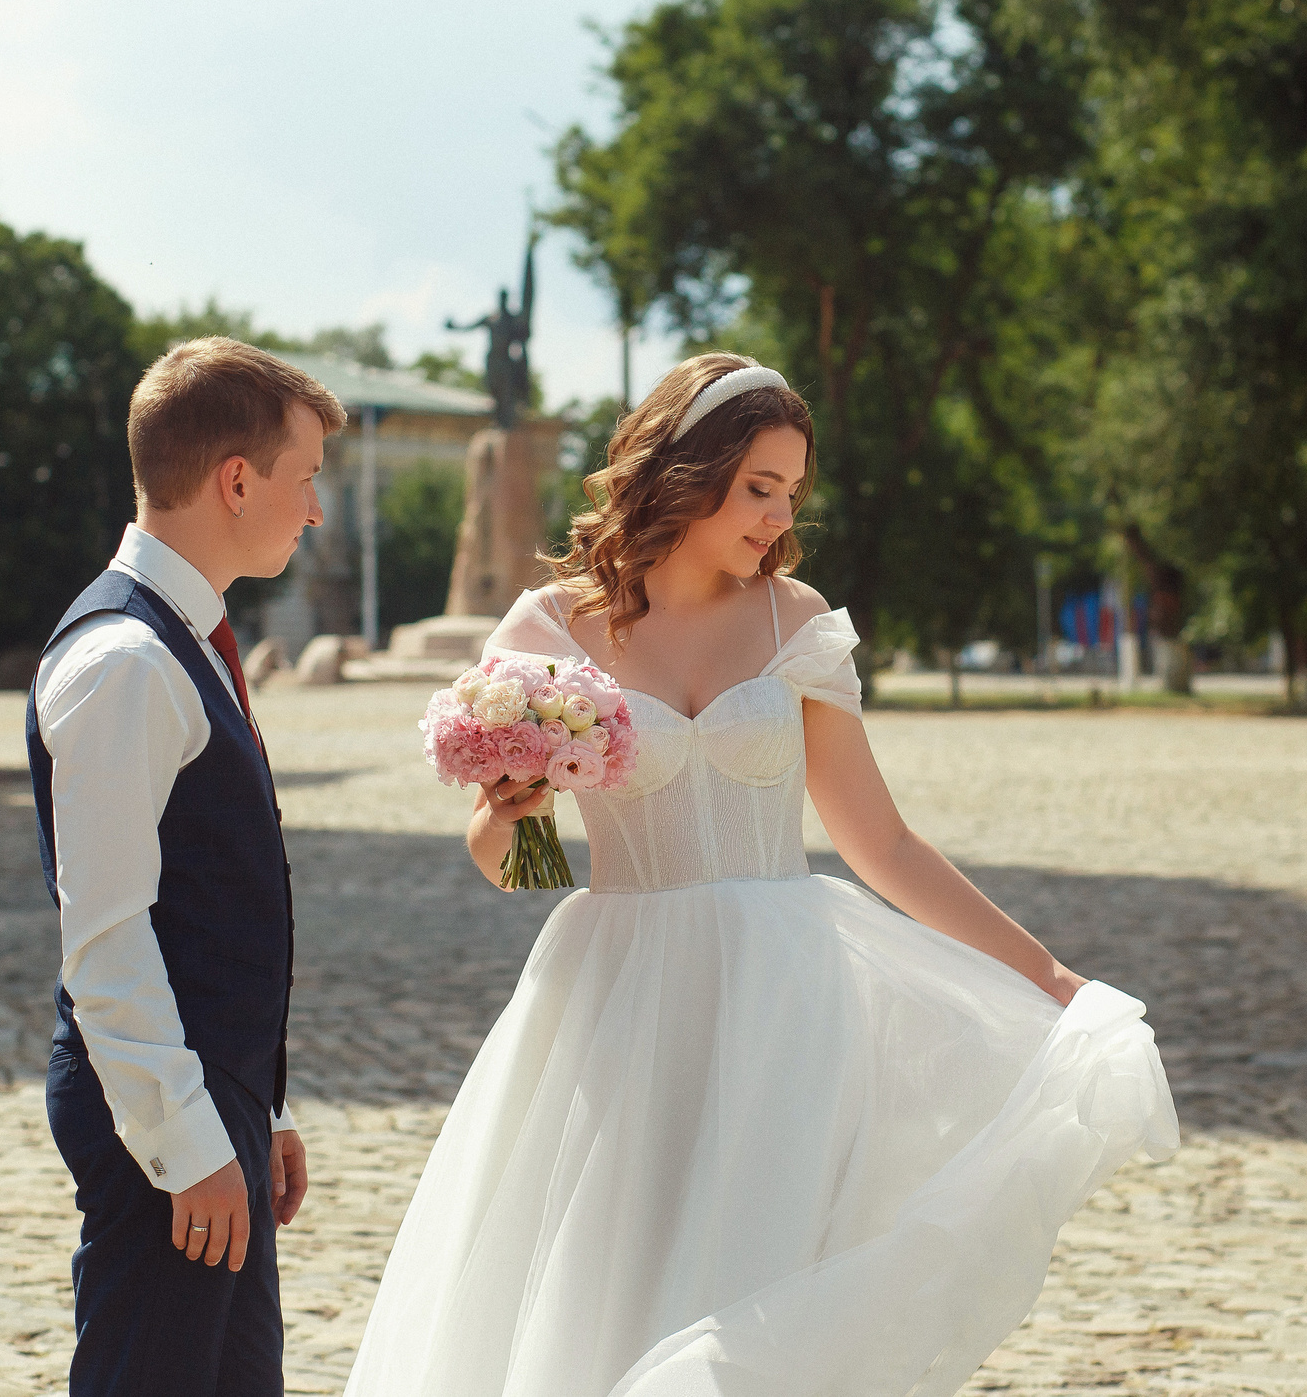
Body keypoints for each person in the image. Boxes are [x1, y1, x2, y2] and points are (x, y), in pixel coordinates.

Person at [344, 355, 1181, 1397]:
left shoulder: (798, 623)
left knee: (764, 1269)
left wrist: (1045, 975)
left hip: (785, 999)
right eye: (757, 488)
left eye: (791, 493)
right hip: (620, 995)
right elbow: (515, 862)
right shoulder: (549, 633)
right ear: (685, 474)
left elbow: (881, 844)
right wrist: (510, 810)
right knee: (616, 1269)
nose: (777, 518)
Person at [29, 338, 345, 1397]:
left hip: (217, 1104)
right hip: (161, 1113)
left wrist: (262, 1111)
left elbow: (209, 905)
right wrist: (184, 1137)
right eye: (305, 481)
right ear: (236, 479)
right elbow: (108, 934)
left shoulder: (186, 640)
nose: (312, 511)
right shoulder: (125, 660)